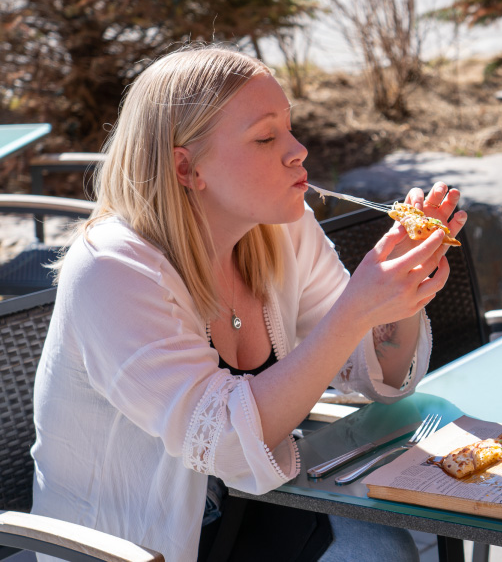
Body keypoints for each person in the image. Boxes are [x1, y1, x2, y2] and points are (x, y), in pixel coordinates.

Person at [31, 45, 467, 562]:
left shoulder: (281, 225)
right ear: (186, 167)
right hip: (142, 542)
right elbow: (226, 444)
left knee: (384, 549)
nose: (298, 150)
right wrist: (357, 308)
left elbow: (372, 373)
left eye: (290, 128)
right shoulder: (112, 269)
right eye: (266, 137)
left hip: (257, 505)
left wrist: (398, 299)